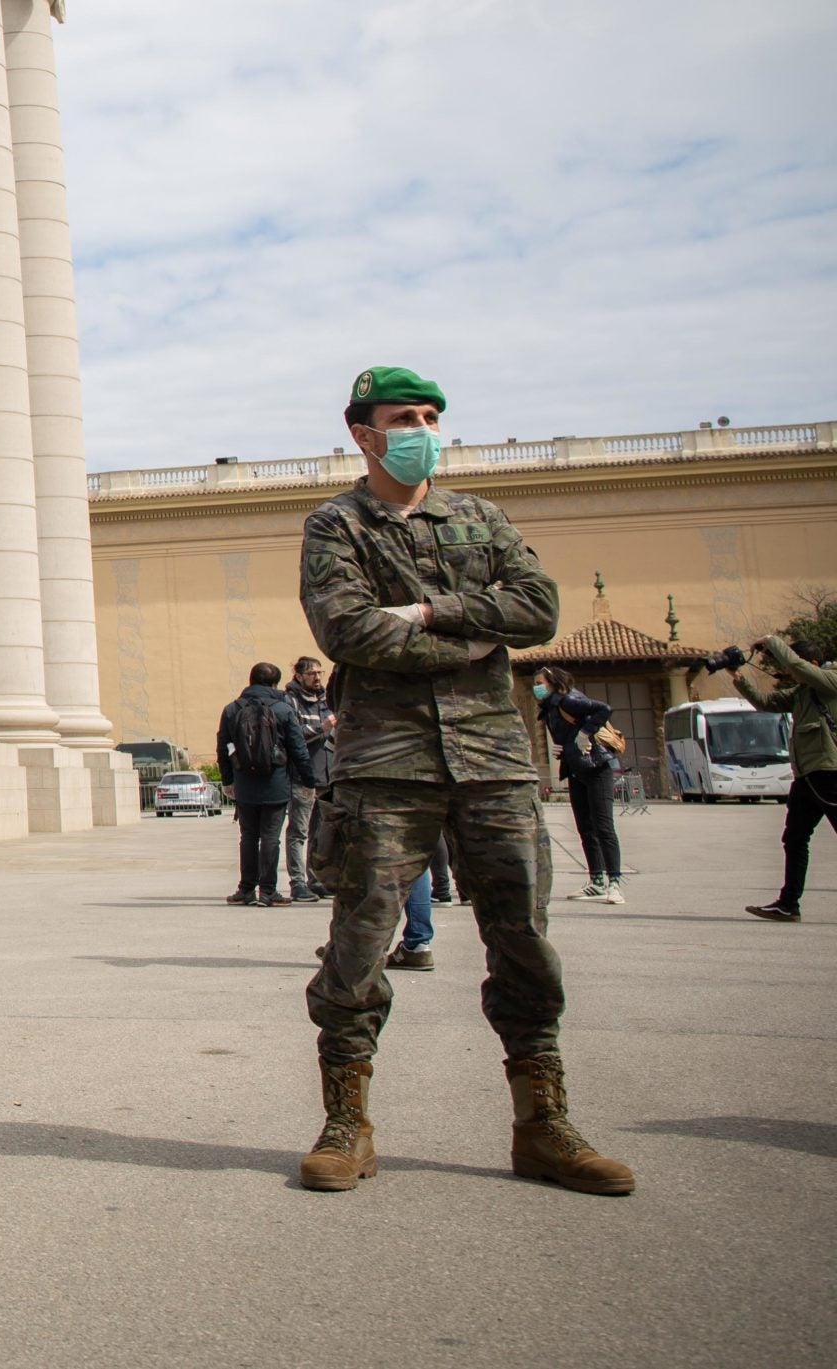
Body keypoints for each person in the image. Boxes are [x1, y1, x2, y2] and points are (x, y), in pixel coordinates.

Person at [295, 364, 633, 1197]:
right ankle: (348, 1121)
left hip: (491, 762)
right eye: (406, 416)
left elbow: (539, 609)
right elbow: (349, 629)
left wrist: (425, 612)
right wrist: (476, 634)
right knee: (358, 946)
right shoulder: (335, 525)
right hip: (387, 766)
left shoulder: (481, 517)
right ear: (363, 433)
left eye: (433, 416)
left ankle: (543, 1123)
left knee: (522, 938)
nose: (424, 429)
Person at [729, 635, 837, 920]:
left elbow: (795, 665)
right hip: (807, 776)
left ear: (812, 663)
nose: (789, 674)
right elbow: (766, 702)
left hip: (829, 772)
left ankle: (788, 903)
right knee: (794, 838)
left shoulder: (830, 680)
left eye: (794, 668)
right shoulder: (803, 692)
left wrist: (772, 642)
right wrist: (737, 676)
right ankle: (788, 904)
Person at [218, 662, 313, 907]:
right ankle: (269, 891)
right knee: (271, 837)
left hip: (245, 784)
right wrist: (308, 780)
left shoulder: (231, 709)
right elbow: (298, 748)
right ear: (274, 684)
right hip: (276, 783)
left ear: (250, 681)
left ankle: (246, 889)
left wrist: (228, 781)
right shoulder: (283, 709)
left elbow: (223, 748)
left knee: (248, 837)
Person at [533, 666, 626, 904]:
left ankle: (614, 882)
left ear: (553, 682)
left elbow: (604, 709)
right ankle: (596, 881)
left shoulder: (569, 700)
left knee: (603, 826)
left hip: (596, 767)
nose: (536, 687)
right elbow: (567, 734)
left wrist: (585, 733)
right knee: (585, 828)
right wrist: (562, 749)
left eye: (540, 682)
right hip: (575, 769)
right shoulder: (550, 708)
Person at [285, 656, 337, 899]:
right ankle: (297, 883)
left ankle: (316, 880)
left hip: (326, 776)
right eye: (311, 673)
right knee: (299, 831)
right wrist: (322, 728)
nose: (317, 678)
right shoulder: (291, 700)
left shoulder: (326, 699)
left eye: (319, 673)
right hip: (302, 778)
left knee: (320, 832)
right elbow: (293, 737)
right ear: (298, 675)